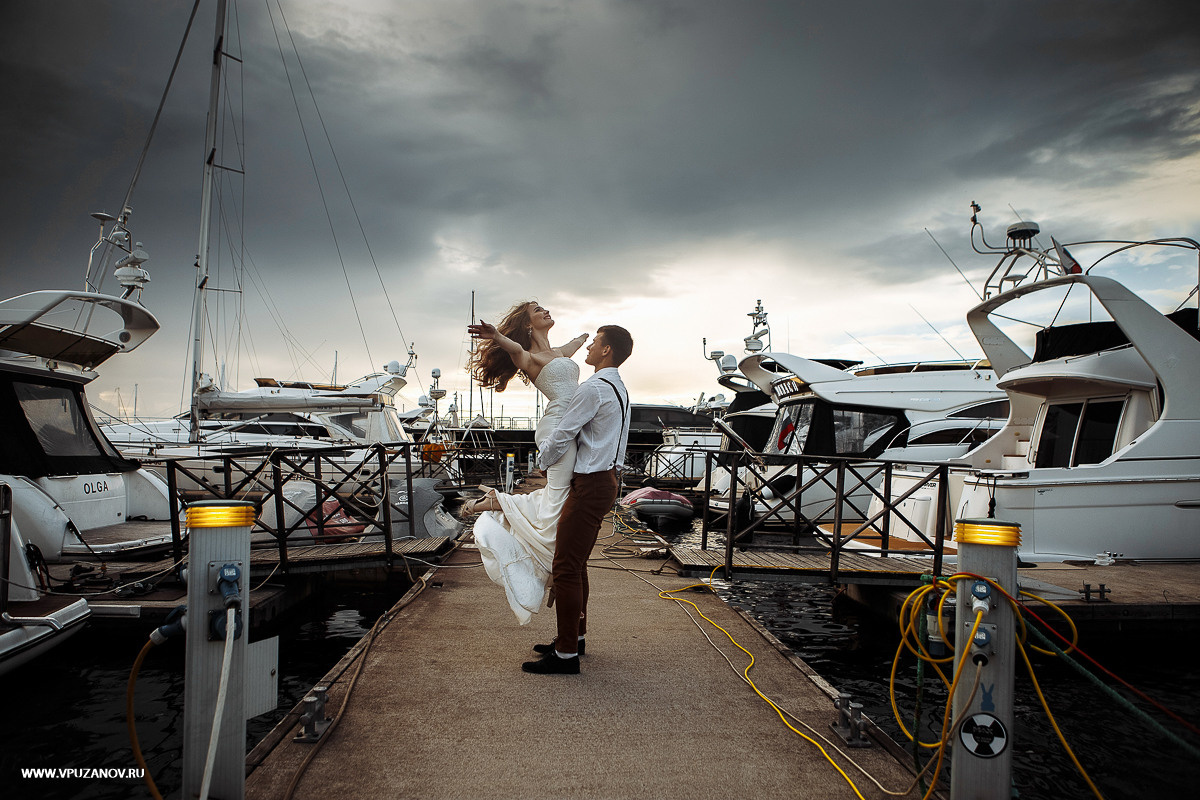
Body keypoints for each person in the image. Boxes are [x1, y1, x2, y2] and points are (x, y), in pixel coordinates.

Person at [464, 301, 588, 624]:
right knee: (559, 498)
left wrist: (588, 338)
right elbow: (516, 349)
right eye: (537, 310)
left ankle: (498, 503)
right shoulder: (529, 357)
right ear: (528, 324)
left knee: (564, 498)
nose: (545, 310)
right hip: (557, 428)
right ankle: (551, 567)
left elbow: (573, 345)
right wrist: (496, 336)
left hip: (573, 428)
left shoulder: (558, 352)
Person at [521, 324, 633, 675]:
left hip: (591, 483)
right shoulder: (619, 388)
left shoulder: (594, 388)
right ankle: (575, 638)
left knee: (566, 566)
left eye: (595, 342)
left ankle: (566, 654)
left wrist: (543, 462)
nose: (589, 347)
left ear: (607, 350)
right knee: (578, 563)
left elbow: (563, 431)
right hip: (605, 480)